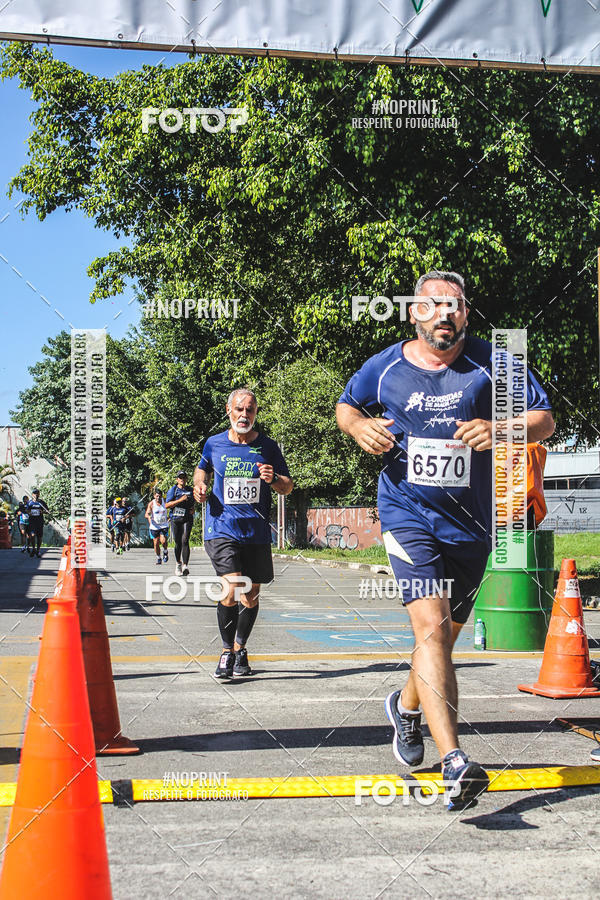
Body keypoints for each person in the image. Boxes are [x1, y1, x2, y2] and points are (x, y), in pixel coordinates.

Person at [336, 269, 555, 811]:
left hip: (473, 526)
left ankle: (406, 708)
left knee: (441, 640)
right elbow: (347, 405)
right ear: (414, 313)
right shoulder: (385, 367)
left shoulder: (492, 361)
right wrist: (358, 428)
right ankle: (456, 762)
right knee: (430, 630)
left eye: (454, 305)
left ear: (466, 312)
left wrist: (504, 431)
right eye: (432, 305)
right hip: (408, 514)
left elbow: (545, 418)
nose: (444, 314)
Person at [194, 388, 293, 679]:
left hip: (256, 531)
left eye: (250, 410)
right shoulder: (213, 444)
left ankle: (240, 648)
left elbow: (287, 485)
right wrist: (200, 487)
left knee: (250, 595)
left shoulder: (268, 446)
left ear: (256, 413)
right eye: (239, 409)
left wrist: (273, 478)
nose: (244, 415)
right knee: (233, 586)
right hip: (221, 527)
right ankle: (226, 652)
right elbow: (202, 471)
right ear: (229, 410)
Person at [165, 472, 195, 576]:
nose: (182, 479)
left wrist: (193, 508)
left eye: (184, 477)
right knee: (178, 542)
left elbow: (193, 501)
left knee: (185, 540)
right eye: (180, 477)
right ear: (177, 479)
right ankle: (178, 563)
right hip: (176, 518)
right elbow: (167, 505)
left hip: (187, 518)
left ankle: (185, 565)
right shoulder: (173, 490)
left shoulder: (190, 490)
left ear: (187, 479)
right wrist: (180, 500)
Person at [145, 488, 169, 565]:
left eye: (159, 496)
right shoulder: (151, 504)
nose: (158, 498)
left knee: (163, 541)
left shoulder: (165, 501)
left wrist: (170, 517)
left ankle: (165, 552)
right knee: (156, 543)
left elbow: (172, 508)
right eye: (157, 496)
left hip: (163, 525)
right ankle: (158, 558)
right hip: (154, 526)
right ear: (154, 496)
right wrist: (149, 516)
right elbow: (147, 514)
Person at [26, 489, 49, 558]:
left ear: (39, 494)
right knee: (32, 535)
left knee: (39, 536)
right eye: (34, 494)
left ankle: (38, 550)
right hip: (32, 521)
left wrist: (42, 512)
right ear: (32, 494)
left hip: (39, 521)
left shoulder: (41, 502)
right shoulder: (30, 502)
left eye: (37, 494)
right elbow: (27, 510)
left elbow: (47, 511)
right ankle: (33, 548)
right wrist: (29, 512)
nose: (36, 495)